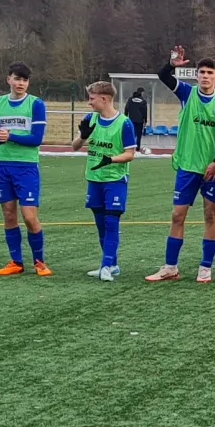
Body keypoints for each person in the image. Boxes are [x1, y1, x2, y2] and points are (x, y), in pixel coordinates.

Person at [147, 46, 215, 283]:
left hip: (212, 170)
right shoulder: (187, 94)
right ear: (196, 76)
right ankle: (170, 267)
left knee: (210, 215)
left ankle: (206, 267)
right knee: (177, 216)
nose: (205, 76)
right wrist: (171, 65)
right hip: (187, 167)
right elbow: (163, 76)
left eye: (210, 73)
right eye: (202, 72)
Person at [0, 63, 50, 276]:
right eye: (17, 79)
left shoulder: (36, 104)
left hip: (26, 166)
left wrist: (10, 136)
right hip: (2, 164)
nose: (20, 83)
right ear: (9, 80)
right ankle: (16, 262)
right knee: (8, 214)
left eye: (24, 80)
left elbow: (36, 139)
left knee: (29, 217)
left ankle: (39, 262)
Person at [76, 79, 139, 281]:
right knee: (101, 224)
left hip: (115, 179)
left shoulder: (124, 123)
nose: (89, 102)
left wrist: (110, 160)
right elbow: (74, 146)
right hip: (94, 178)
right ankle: (112, 265)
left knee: (111, 222)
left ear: (104, 99)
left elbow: (130, 154)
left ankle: (105, 265)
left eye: (92, 99)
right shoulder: (90, 118)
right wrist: (83, 136)